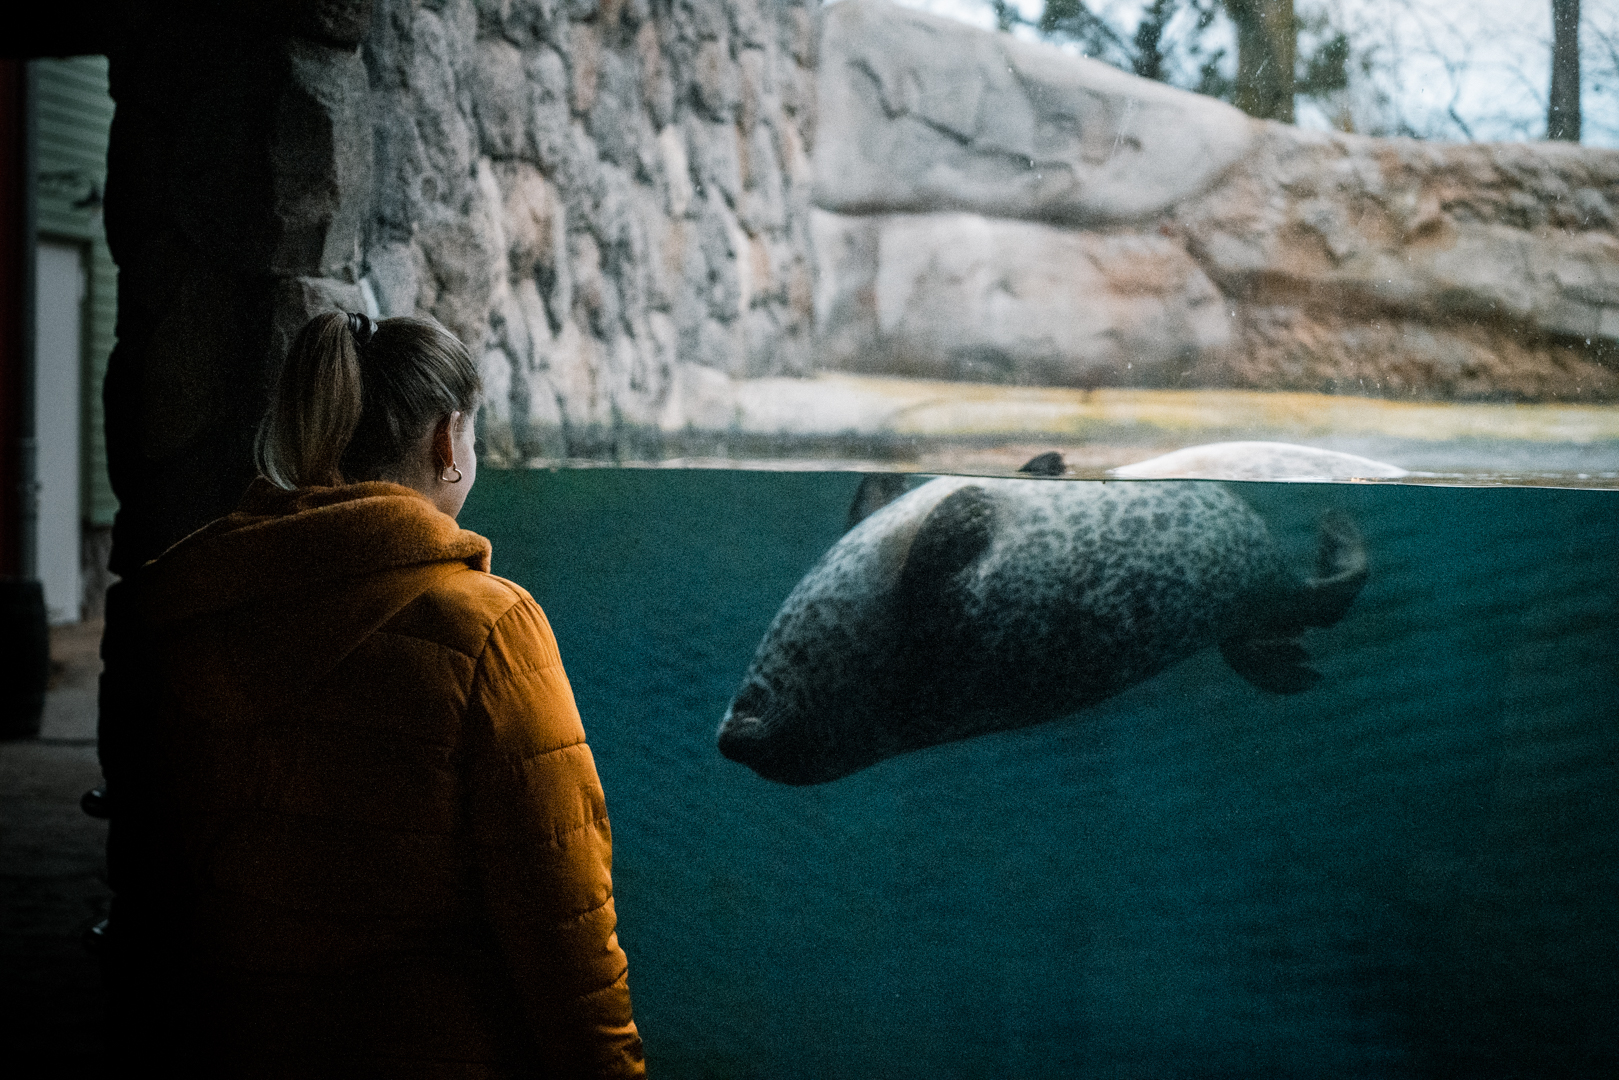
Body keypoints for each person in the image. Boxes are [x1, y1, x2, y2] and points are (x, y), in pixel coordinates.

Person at [139, 311, 645, 1076]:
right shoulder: (489, 628)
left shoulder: (193, 606)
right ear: (447, 443)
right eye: (471, 435)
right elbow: (560, 916)